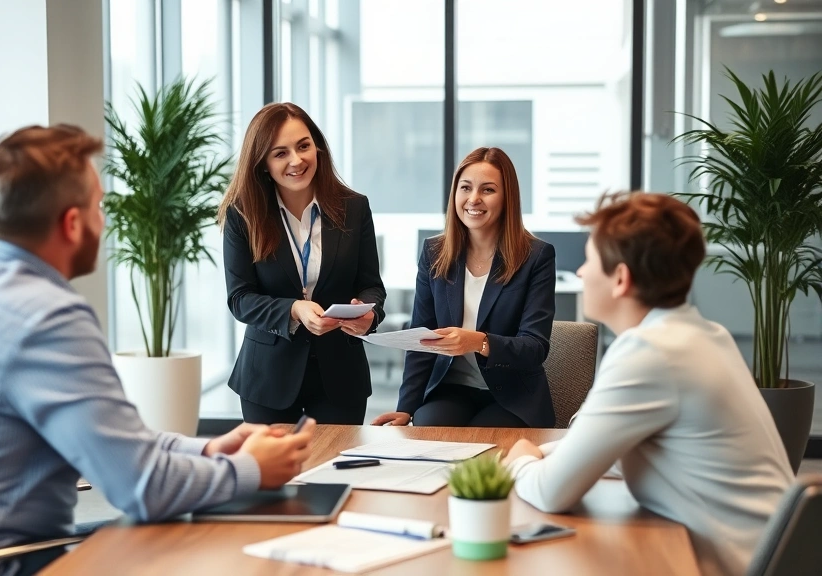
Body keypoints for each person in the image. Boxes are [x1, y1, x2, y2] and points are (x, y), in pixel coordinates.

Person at [0, 124, 316, 576]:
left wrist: (206, 451)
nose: (104, 221)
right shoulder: (44, 317)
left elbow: (112, 438)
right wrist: (251, 469)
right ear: (72, 224)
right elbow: (144, 489)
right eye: (98, 206)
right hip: (0, 566)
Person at [503, 192, 793, 576]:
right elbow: (604, 445)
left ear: (621, 279)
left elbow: (550, 492)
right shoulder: (701, 335)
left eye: (590, 260)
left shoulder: (650, 352)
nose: (582, 272)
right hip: (772, 557)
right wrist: (545, 452)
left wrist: (520, 459)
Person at [218, 102, 386, 425]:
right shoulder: (243, 215)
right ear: (263, 163)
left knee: (335, 460)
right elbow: (240, 298)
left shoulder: (354, 208)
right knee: (273, 462)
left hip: (341, 375)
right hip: (268, 376)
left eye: (303, 146)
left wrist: (369, 314)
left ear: (317, 148)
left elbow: (371, 286)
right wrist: (294, 309)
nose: (296, 160)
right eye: (280, 153)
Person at [372, 147, 556, 428]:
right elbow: (421, 337)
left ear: (507, 198)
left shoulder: (536, 257)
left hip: (512, 394)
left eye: (488, 190)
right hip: (451, 388)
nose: (473, 199)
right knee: (430, 432)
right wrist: (406, 407)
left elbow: (535, 347)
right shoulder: (434, 252)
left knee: (482, 440)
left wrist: (479, 342)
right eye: (466, 188)